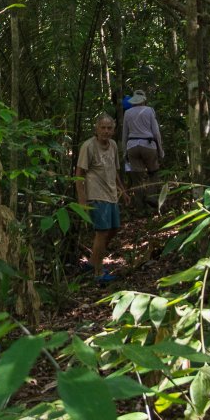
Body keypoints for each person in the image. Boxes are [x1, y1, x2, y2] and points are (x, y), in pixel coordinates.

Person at [75, 113, 128, 284]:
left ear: (113, 130)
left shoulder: (112, 145)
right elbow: (79, 175)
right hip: (96, 195)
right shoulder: (88, 146)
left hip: (111, 194)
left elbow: (115, 170)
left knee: (113, 229)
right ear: (96, 129)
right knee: (102, 232)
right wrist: (82, 201)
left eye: (109, 128)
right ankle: (98, 272)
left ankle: (92, 262)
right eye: (103, 128)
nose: (106, 131)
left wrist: (122, 190)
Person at [121, 89, 163, 206]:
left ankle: (139, 205)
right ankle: (151, 197)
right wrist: (160, 149)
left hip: (132, 146)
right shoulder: (149, 110)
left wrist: (125, 152)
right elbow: (156, 133)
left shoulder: (127, 113)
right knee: (153, 173)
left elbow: (125, 134)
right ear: (144, 100)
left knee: (137, 178)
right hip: (148, 145)